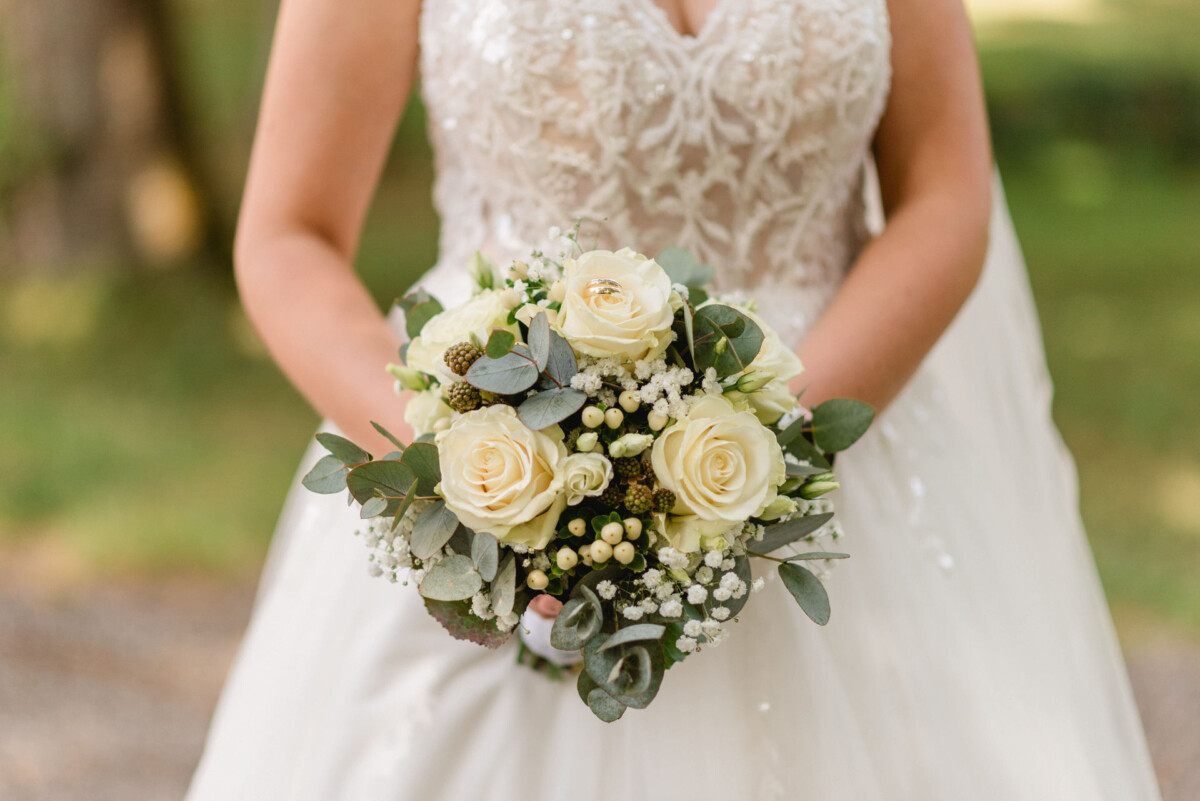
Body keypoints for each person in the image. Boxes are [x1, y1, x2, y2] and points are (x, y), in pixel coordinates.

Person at [186, 1, 1163, 798]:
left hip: (842, 458)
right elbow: (289, 234)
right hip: (499, 476)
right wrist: (461, 470)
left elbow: (944, 197)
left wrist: (757, 451)